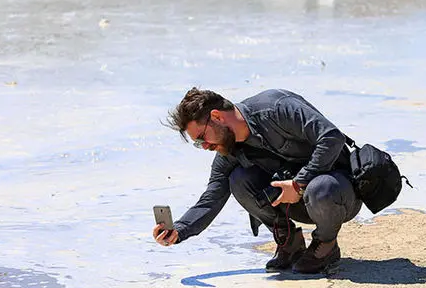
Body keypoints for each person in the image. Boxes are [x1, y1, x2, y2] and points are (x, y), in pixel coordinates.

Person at [153, 88, 363, 274]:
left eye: (202, 138)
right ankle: (289, 243)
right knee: (238, 179)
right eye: (199, 144)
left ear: (216, 116)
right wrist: (179, 231)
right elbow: (212, 196)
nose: (205, 146)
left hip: (338, 194)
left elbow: (332, 137)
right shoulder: (228, 149)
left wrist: (300, 183)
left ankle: (326, 245)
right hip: (297, 204)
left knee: (320, 187)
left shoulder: (277, 107)